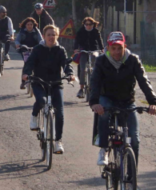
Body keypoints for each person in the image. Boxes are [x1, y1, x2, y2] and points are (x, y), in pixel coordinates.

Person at [90, 31, 156, 173]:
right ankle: (103, 148)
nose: (116, 51)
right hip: (106, 97)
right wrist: (94, 102)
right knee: (104, 113)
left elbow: (144, 81)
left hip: (127, 101)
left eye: (120, 48)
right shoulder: (101, 60)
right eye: (113, 48)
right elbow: (95, 82)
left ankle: (132, 180)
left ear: (124, 46)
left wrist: (153, 101)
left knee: (135, 140)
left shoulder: (133, 60)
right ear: (108, 47)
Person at [22, 25, 74, 154]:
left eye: (53, 34)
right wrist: (27, 73)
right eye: (49, 34)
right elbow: (30, 63)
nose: (51, 37)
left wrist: (70, 74)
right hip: (39, 82)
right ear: (44, 36)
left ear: (57, 36)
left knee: (60, 113)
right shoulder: (37, 49)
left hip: (56, 83)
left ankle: (58, 142)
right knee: (42, 101)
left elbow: (66, 64)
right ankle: (34, 116)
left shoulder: (60, 50)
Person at [74, 17, 104, 98]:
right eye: (86, 24)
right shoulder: (81, 31)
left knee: (95, 68)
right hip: (84, 51)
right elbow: (76, 41)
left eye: (90, 24)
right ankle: (81, 89)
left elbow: (99, 40)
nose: (88, 26)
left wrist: (102, 49)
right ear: (84, 24)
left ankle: (95, 87)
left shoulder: (96, 31)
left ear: (93, 25)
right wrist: (76, 49)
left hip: (94, 50)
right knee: (82, 69)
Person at [15, 17, 43, 89]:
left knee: (37, 63)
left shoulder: (37, 31)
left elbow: (41, 40)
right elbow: (17, 40)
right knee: (27, 63)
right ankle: (23, 82)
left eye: (31, 24)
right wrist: (18, 44)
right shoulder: (22, 32)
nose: (29, 26)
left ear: (33, 25)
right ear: (25, 25)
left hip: (35, 49)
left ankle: (39, 80)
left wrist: (41, 45)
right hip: (24, 49)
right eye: (28, 24)